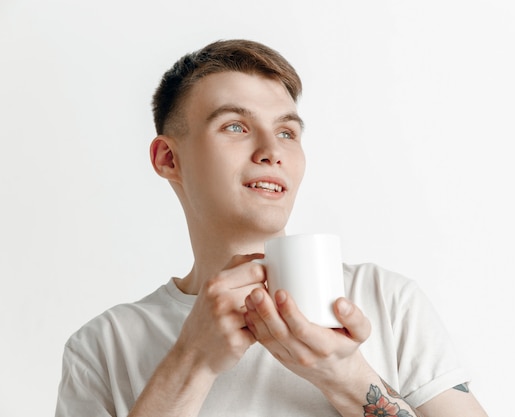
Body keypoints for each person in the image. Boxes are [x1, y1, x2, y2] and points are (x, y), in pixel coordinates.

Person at [55, 39, 488, 417]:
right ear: (169, 159)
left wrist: (347, 378)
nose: (271, 151)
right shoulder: (103, 346)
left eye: (287, 131)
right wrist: (192, 360)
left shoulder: (388, 302)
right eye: (236, 126)